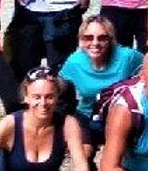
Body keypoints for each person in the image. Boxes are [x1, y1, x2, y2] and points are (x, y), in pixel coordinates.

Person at [59, 16, 142, 153]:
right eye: (88, 38)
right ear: (81, 40)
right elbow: (57, 85)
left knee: (116, 154)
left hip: (119, 116)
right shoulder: (75, 61)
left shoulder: (127, 57)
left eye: (102, 38)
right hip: (87, 114)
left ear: (111, 40)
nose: (95, 43)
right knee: (83, 153)